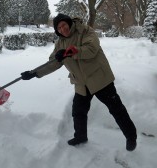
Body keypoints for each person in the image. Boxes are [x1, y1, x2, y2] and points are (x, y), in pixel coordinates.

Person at [20, 13, 137, 151]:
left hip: (99, 78)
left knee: (116, 109)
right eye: (59, 27)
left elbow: (91, 49)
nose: (62, 29)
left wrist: (71, 52)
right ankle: (81, 136)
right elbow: (53, 62)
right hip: (81, 82)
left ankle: (131, 137)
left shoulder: (85, 31)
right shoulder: (60, 43)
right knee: (78, 111)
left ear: (69, 23)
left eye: (64, 25)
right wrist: (34, 73)